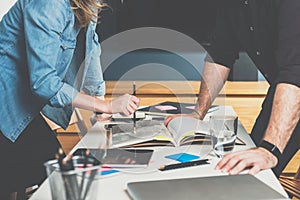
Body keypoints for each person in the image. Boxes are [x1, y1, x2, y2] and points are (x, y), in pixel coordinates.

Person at [0, 0, 139, 199]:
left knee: (47, 169)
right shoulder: (49, 4)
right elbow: (43, 82)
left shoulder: (85, 4)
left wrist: (101, 108)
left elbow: (91, 49)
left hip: (16, 103)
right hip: (5, 100)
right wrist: (106, 105)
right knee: (42, 172)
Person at [165, 0, 299, 178]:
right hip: (287, 89)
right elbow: (220, 56)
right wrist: (198, 112)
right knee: (251, 173)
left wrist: (270, 150)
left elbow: (295, 71)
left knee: (263, 161)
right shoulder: (231, 5)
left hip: (293, 85)